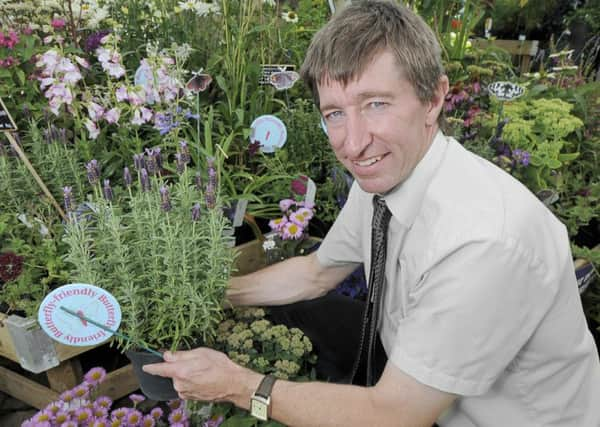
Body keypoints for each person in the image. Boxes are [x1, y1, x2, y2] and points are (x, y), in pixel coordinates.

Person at [143, 1, 600, 426]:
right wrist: (210, 294)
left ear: (434, 99)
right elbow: (316, 273)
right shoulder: (388, 172)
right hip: (423, 375)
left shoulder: (481, 240)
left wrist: (241, 386)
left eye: (376, 104)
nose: (352, 142)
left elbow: (394, 416)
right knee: (307, 311)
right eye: (335, 114)